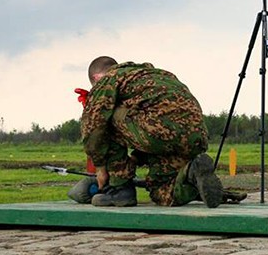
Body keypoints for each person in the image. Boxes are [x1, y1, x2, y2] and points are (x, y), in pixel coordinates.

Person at [78, 56, 225, 208]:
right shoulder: (157, 74)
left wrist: (100, 168)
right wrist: (136, 158)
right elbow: (162, 118)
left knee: (104, 119)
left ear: (96, 77)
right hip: (195, 137)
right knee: (161, 192)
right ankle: (191, 174)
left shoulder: (108, 79)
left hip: (159, 133)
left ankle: (119, 190)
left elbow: (92, 126)